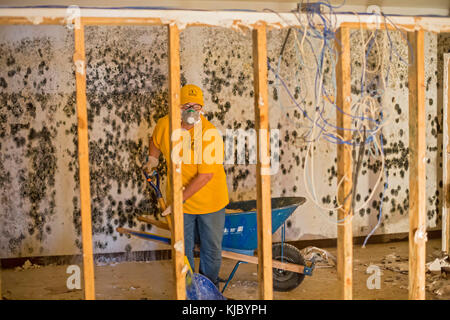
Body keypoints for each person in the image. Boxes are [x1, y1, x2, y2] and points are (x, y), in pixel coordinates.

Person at [145, 84, 229, 287]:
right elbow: (156, 141)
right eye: (186, 105)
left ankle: (208, 287)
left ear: (202, 109)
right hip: (180, 201)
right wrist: (152, 159)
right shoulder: (165, 124)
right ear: (176, 107)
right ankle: (189, 288)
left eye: (196, 106)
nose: (191, 111)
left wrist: (177, 201)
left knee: (211, 249)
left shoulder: (209, 134)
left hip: (210, 201)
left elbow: (205, 176)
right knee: (183, 247)